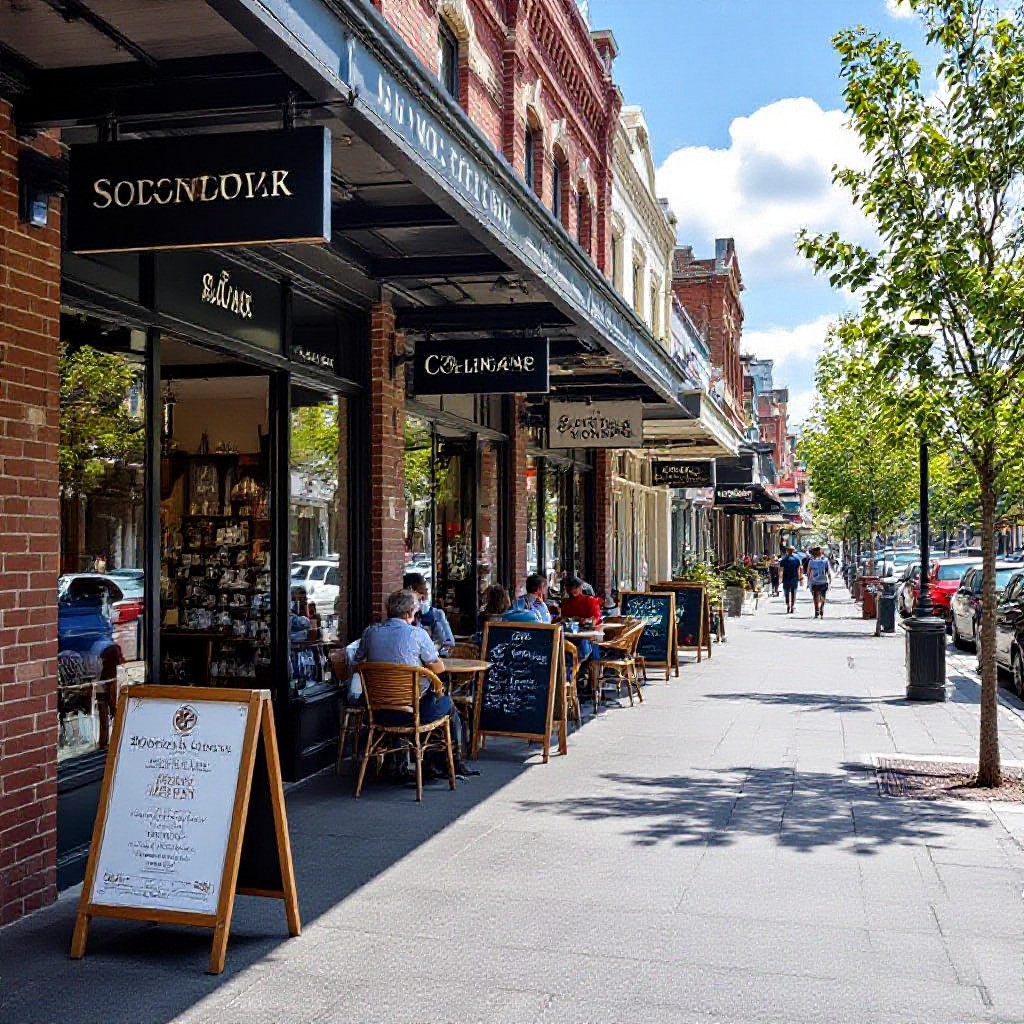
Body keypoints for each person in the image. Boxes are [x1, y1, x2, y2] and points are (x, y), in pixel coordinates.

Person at [356, 589, 476, 776]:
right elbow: (438, 668)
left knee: (415, 700)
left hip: (377, 711)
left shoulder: (370, 632)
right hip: (412, 713)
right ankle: (446, 763)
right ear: (409, 612)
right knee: (447, 705)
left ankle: (396, 765)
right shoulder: (418, 634)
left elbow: (358, 660)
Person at [402, 571, 454, 648]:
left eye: (426, 591)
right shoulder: (402, 617)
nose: (425, 597)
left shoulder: (436, 614)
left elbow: (449, 642)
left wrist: (435, 623)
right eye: (421, 593)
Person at [807, 546, 832, 619]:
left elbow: (808, 572)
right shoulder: (825, 560)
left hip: (814, 581)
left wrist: (808, 582)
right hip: (824, 581)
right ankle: (821, 608)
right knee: (823, 596)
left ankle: (817, 611)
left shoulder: (811, 561)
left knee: (815, 597)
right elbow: (828, 572)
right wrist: (830, 581)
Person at [779, 546, 803, 614]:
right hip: (794, 578)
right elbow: (799, 569)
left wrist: (780, 579)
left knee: (786, 593)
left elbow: (781, 570)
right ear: (793, 550)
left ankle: (788, 605)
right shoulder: (797, 559)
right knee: (793, 593)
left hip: (786, 578)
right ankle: (792, 606)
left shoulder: (784, 559)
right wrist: (800, 578)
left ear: (787, 550)